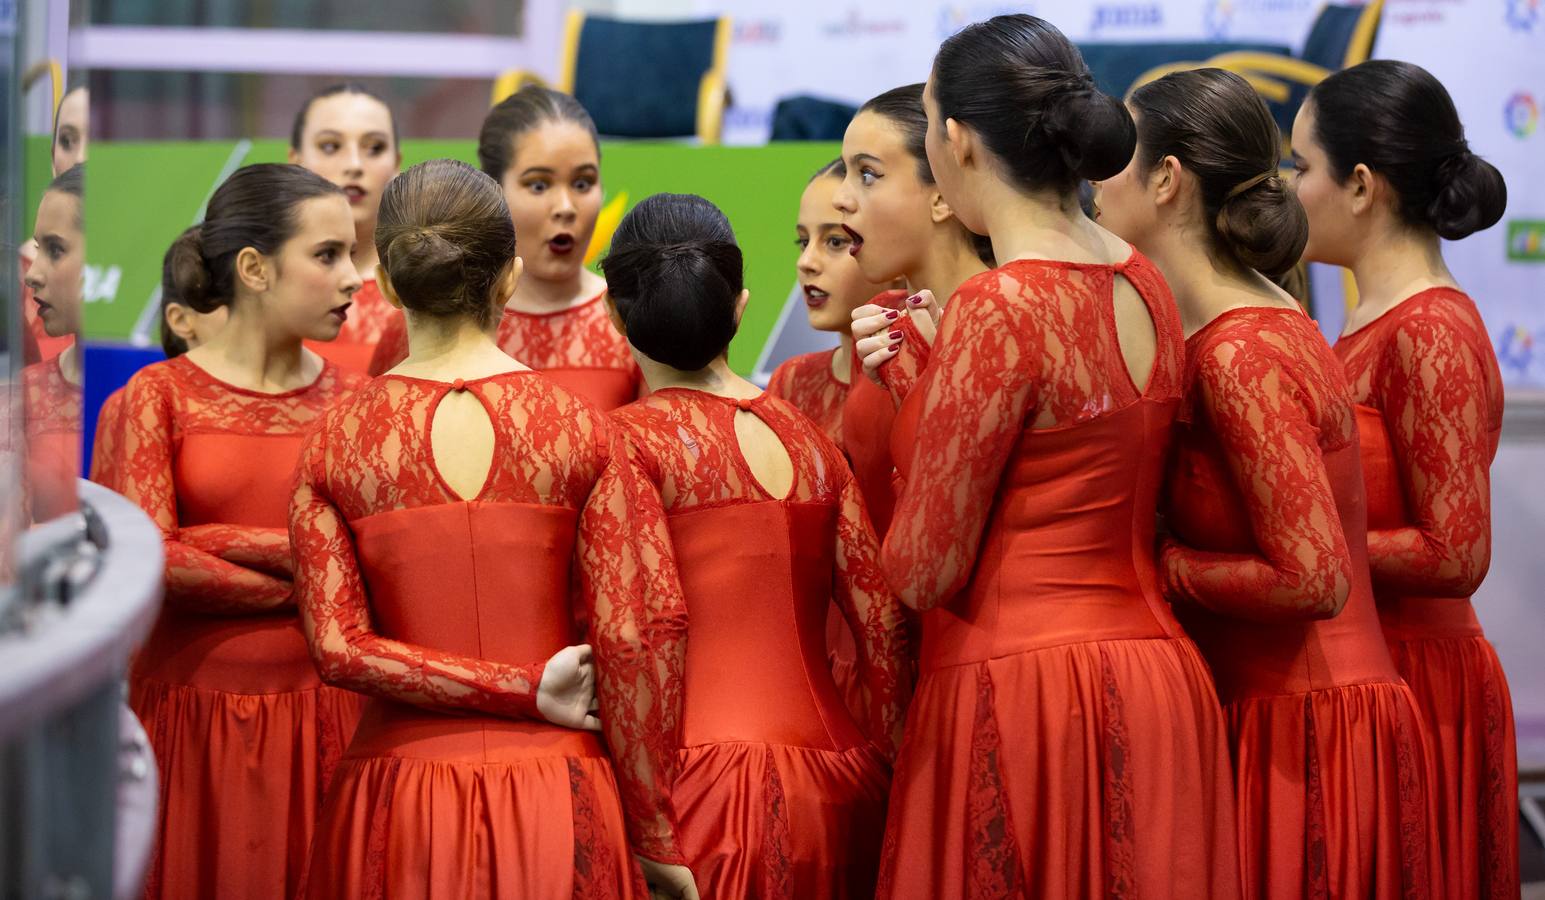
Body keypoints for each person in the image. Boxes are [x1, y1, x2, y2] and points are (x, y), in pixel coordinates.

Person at [871, 16, 1239, 897]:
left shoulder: (1001, 305)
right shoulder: (1141, 278)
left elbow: (922, 569)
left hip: (1022, 692)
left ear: (955, 138)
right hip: (1154, 681)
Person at [1097, 67, 1439, 897]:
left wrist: (1160, 566)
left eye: (1116, 157)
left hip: (1305, 733)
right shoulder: (1237, 324)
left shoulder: (1240, 349)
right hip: (1277, 716)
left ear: (1166, 180)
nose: (1093, 179)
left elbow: (1313, 575)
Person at [292, 158, 649, 899]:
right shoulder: (583, 431)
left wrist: (519, 688)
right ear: (508, 278)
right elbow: (629, 637)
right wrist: (656, 831)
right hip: (559, 792)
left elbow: (337, 649)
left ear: (387, 285)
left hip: (398, 804)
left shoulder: (334, 440)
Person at [600, 192, 910, 898]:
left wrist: (645, 819)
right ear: (739, 307)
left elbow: (639, 634)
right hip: (840, 785)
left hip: (694, 789)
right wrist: (888, 767)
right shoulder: (809, 442)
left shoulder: (620, 446)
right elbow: (883, 624)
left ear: (615, 315)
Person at [112, 163, 368, 899]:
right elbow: (150, 563)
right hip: (190, 717)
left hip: (330, 715)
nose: (353, 278)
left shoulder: (359, 402)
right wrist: (311, 571)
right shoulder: (152, 398)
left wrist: (210, 539)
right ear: (254, 269)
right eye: (327, 256)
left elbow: (376, 565)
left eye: (351, 253)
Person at [1295, 59, 1516, 898]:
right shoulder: (1366, 321)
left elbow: (1455, 554)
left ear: (1359, 185)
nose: (1288, 188)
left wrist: (1295, 547)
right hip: (1368, 669)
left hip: (1421, 683)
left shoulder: (1429, 331)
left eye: (1300, 166)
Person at [369, 86, 642, 410]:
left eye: (583, 183)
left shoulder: (635, 320)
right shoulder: (422, 319)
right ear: (491, 192)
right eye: (539, 185)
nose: (566, 206)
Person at [769, 158, 906, 729]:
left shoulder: (930, 376)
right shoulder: (792, 383)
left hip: (913, 649)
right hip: (815, 665)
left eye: (834, 241)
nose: (806, 262)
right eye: (803, 241)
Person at [830, 84, 991, 536]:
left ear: (943, 193)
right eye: (845, 173)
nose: (841, 198)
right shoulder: (882, 317)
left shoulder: (1002, 320)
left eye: (867, 174)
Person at [91, 237, 229, 491]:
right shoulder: (128, 406)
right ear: (180, 319)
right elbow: (116, 525)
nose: (246, 311)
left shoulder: (300, 396)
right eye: (224, 297)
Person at [289, 82, 404, 372]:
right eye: (330, 146)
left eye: (374, 148)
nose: (354, 165)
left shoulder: (424, 289)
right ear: (296, 162)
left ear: (397, 165)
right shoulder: (263, 285)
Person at [19, 164, 85, 522]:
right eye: (36, 248)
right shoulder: (23, 396)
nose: (32, 273)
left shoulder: (164, 390)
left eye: (55, 250)